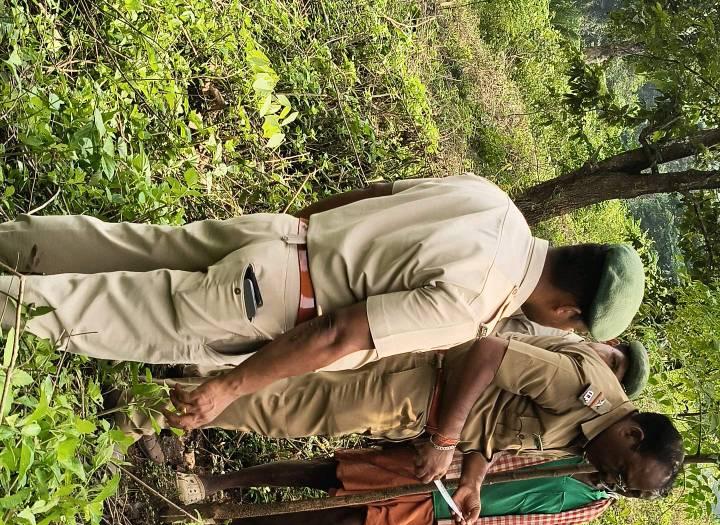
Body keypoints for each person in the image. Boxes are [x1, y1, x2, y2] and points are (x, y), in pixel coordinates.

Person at [0, 175, 645, 449]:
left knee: (124, 246)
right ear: (567, 310)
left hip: (281, 237)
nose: (563, 332)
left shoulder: (494, 202)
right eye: (573, 329)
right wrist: (228, 388)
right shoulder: (477, 302)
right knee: (90, 313)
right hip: (270, 302)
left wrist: (297, 231)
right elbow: (339, 333)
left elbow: (375, 193)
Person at [116, 332, 681, 517]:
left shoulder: (590, 434)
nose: (609, 482)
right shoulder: (584, 393)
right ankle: (143, 409)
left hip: (420, 408)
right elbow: (489, 353)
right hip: (417, 386)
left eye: (622, 489)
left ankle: (164, 387)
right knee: (285, 409)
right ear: (632, 435)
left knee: (288, 396)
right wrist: (444, 440)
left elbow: (498, 422)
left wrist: (472, 477)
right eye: (622, 474)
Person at [174, 449, 617, 525]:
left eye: (637, 492)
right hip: (439, 471)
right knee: (329, 472)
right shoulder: (574, 445)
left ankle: (227, 520)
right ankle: (214, 483)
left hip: (438, 515)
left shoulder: (591, 508)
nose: (626, 487)